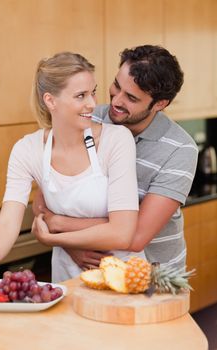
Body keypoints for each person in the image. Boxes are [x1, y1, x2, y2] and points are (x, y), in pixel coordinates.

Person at [33, 45, 198, 273]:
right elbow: (45, 199)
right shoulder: (89, 117)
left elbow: (135, 234)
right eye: (116, 86)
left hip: (152, 279)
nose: (116, 101)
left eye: (131, 97)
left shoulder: (180, 149)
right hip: (92, 274)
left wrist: (59, 224)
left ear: (160, 104)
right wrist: (73, 247)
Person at [0, 51, 145, 282]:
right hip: (67, 280)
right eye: (81, 96)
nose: (92, 104)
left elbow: (122, 233)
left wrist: (54, 239)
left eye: (93, 92)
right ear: (50, 100)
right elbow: (8, 221)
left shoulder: (116, 140)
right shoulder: (27, 150)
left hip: (124, 278)